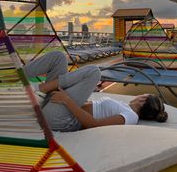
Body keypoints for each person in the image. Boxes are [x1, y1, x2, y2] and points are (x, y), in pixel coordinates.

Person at [24, 51, 168, 132]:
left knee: (94, 72)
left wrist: (67, 100)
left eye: (143, 94)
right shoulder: (125, 107)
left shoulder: (131, 116)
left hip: (61, 119)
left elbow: (93, 124)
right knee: (58, 57)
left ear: (143, 100)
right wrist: (69, 93)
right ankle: (16, 76)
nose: (140, 95)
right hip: (59, 106)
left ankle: (41, 89)